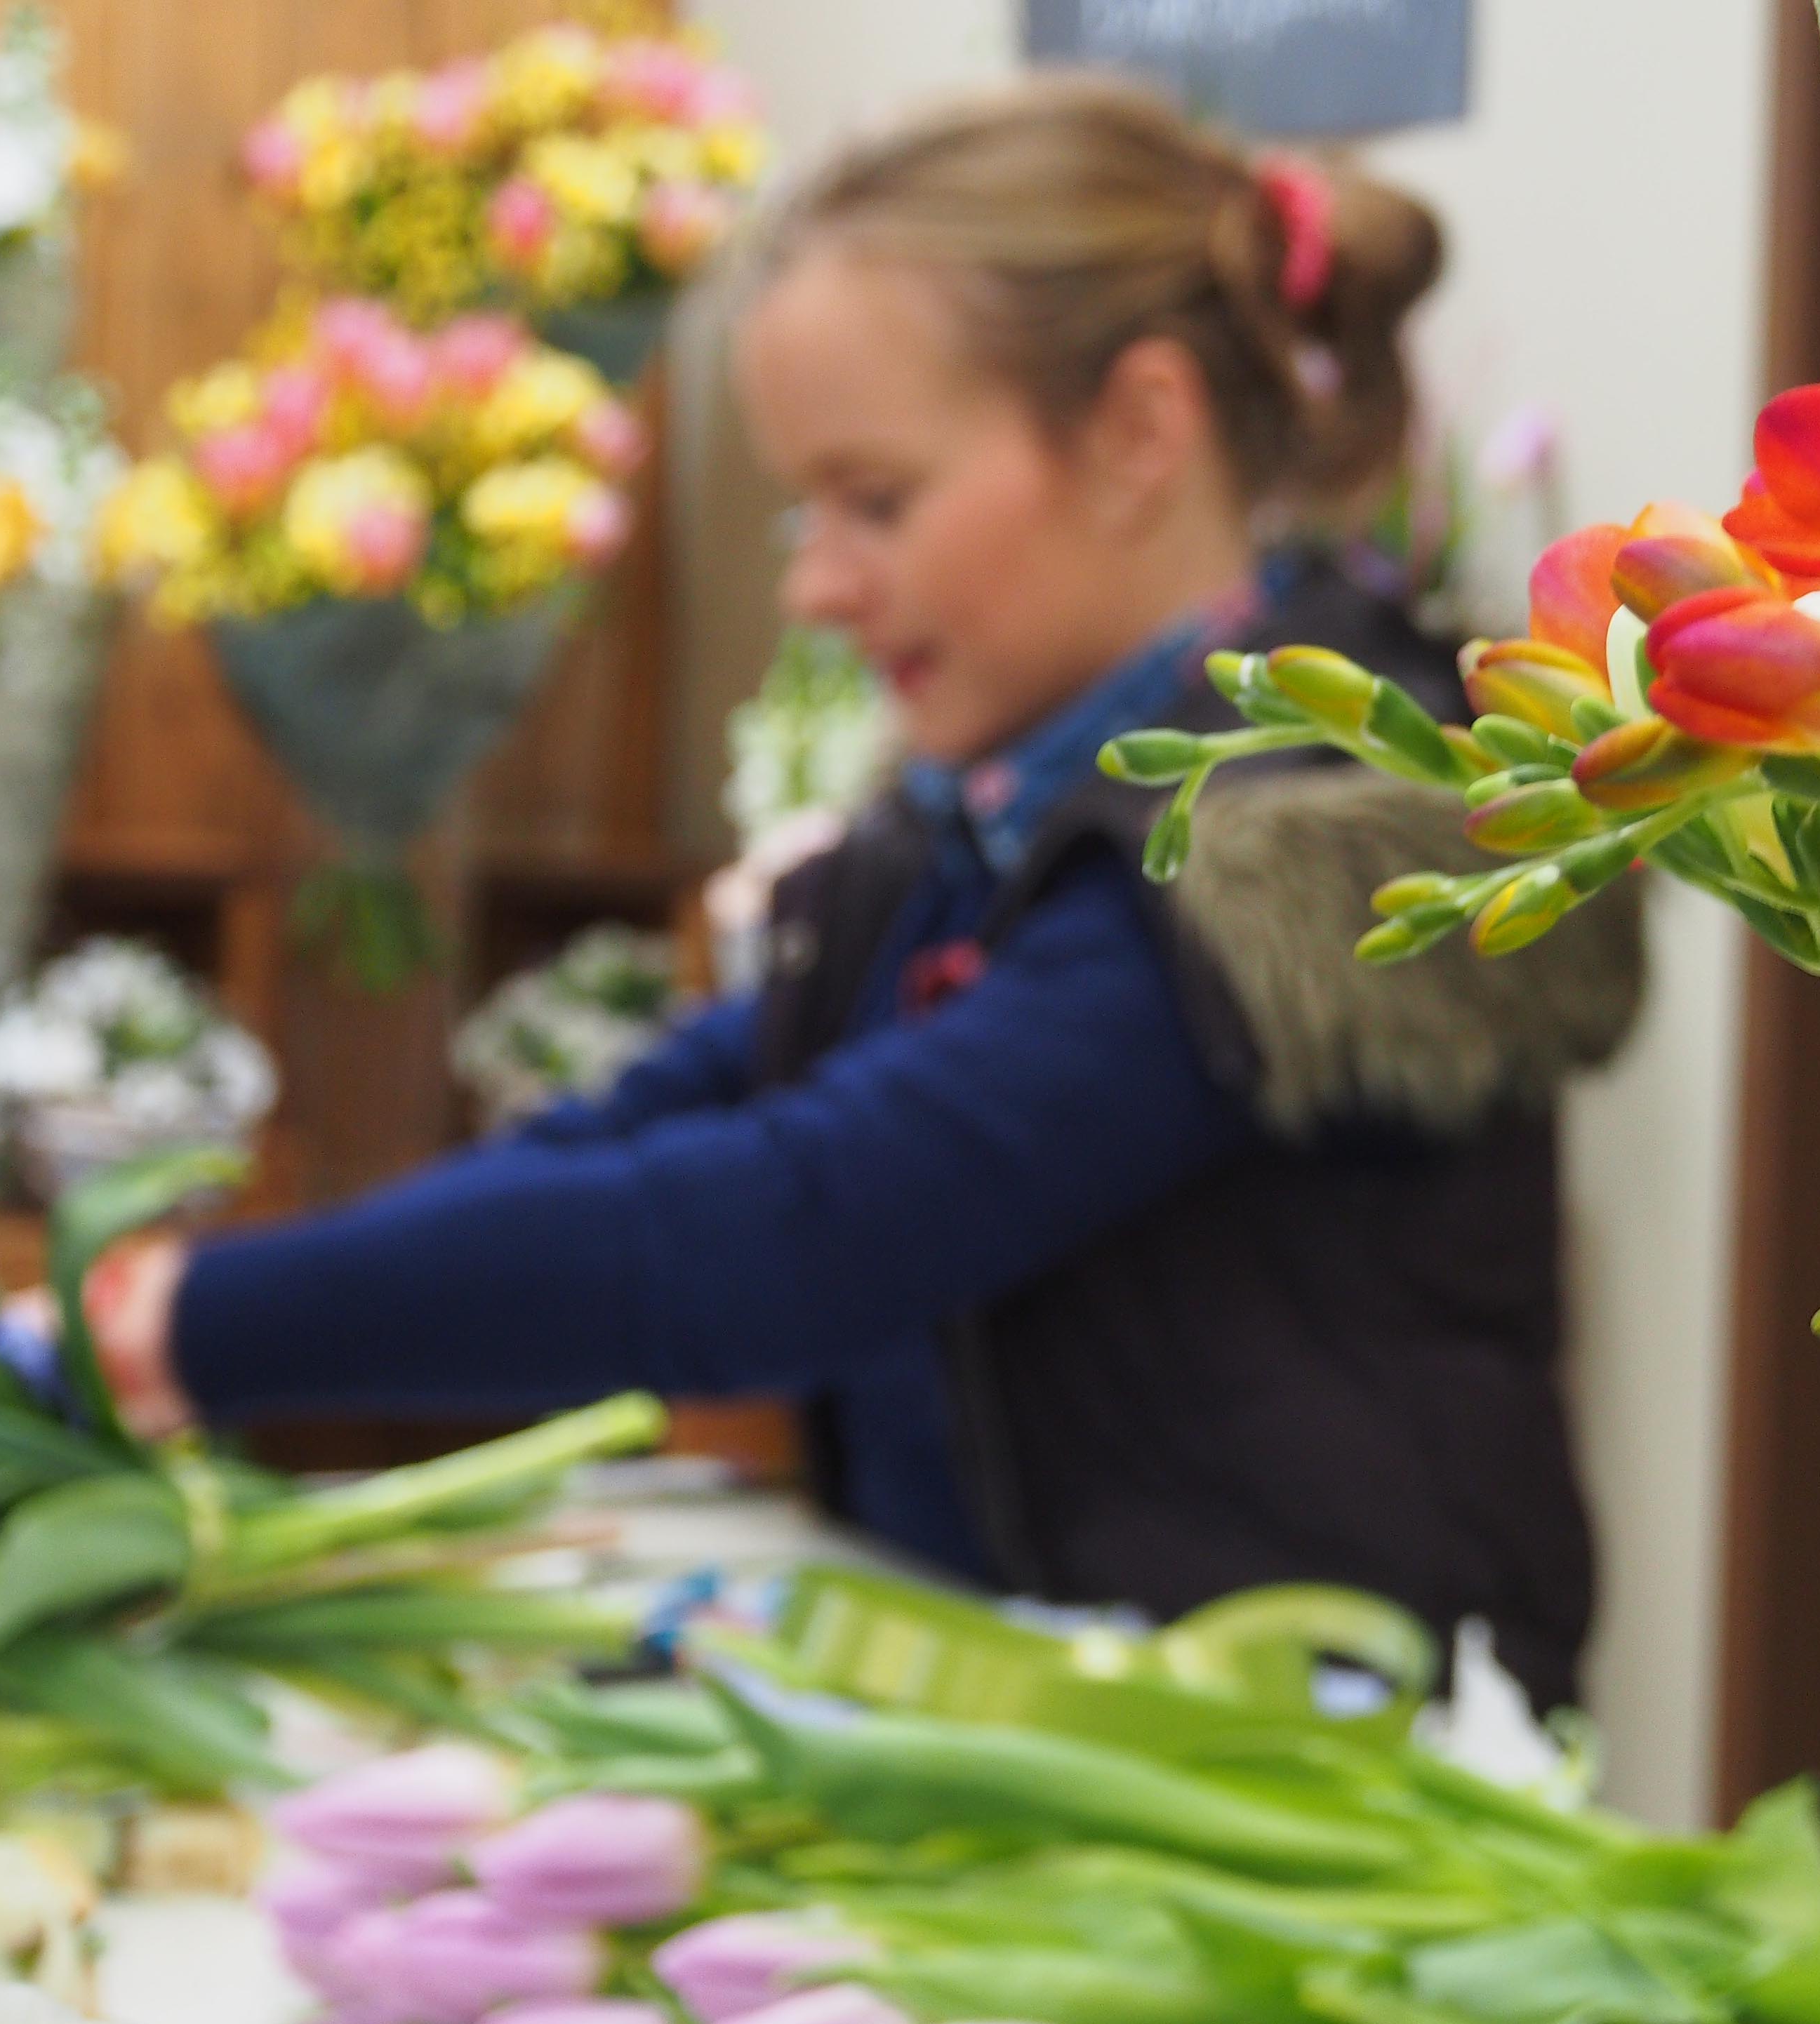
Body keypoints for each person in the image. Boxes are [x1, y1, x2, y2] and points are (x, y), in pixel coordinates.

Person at [82, 78, 1638, 1709]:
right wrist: (179, 1303)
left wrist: (205, 1324)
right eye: (800, 509)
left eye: (873, 501)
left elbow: (782, 1229)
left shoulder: (1285, 843)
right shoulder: (981, 821)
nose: (817, 583)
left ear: (1138, 432)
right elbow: (652, 1124)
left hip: (1315, 1781)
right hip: (1044, 1720)